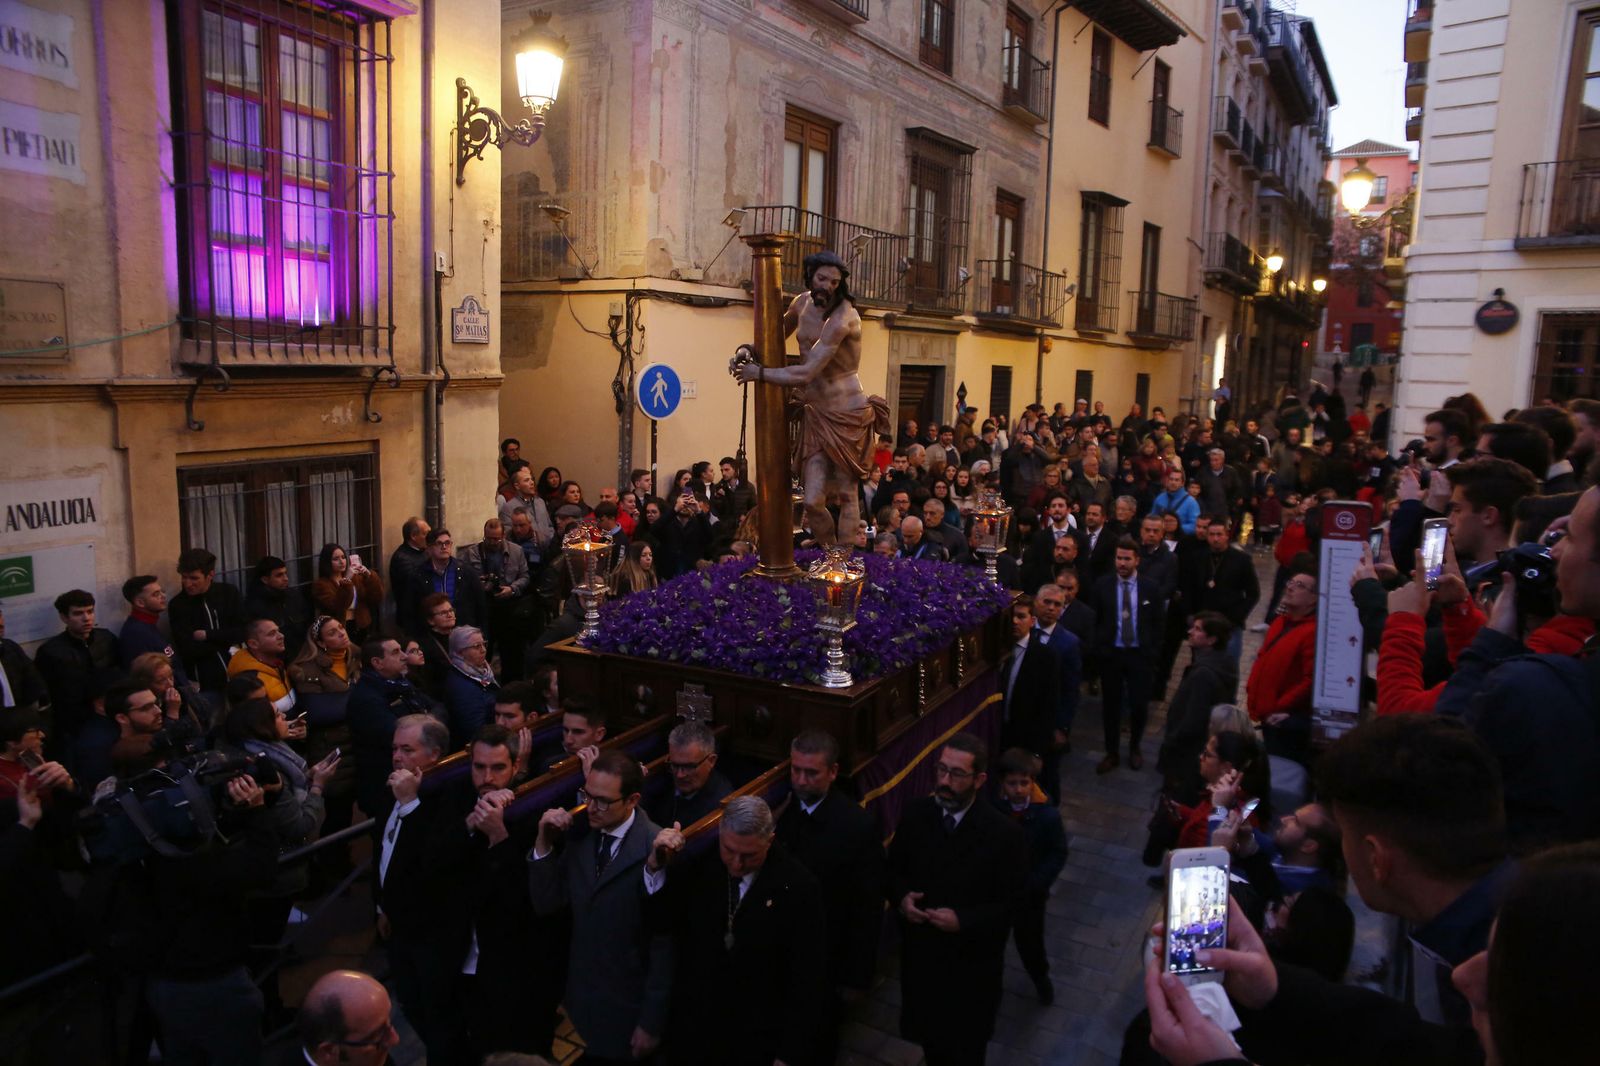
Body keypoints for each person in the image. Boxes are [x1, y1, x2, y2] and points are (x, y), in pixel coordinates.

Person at [644, 795, 829, 1065]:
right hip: (696, 1027)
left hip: (756, 1035)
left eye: (749, 855)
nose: (737, 864)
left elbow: (807, 977)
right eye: (729, 850)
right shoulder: (700, 866)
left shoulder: (798, 887)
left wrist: (789, 1053)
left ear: (770, 839)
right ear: (720, 833)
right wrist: (654, 867)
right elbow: (661, 923)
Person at [731, 249, 890, 546]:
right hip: (816, 413)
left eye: (834, 282)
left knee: (846, 492)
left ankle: (842, 558)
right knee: (813, 499)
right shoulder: (801, 302)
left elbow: (806, 372)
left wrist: (760, 373)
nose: (827, 286)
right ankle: (829, 551)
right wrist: (749, 349)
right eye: (821, 279)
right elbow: (775, 333)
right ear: (809, 276)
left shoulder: (844, 318)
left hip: (847, 413)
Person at [887, 734, 1027, 1065]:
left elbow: (1013, 903)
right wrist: (901, 898)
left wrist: (963, 920)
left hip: (970, 969)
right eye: (942, 770)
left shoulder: (1003, 836)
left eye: (957, 774)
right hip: (923, 961)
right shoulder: (916, 814)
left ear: (979, 780)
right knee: (931, 1042)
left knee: (965, 1050)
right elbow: (893, 871)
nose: (945, 782)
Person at [528, 749, 673, 1066]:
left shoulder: (655, 847)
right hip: (582, 1000)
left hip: (629, 1007)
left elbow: (664, 948)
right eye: (587, 795)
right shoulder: (582, 836)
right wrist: (543, 845)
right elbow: (547, 903)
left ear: (633, 800)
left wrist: (651, 1022)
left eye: (603, 801)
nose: (590, 807)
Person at [775, 729, 884, 1042]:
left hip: (827, 954)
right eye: (795, 770)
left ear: (833, 772)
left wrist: (857, 977)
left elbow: (867, 906)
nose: (801, 780)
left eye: (811, 773)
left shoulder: (857, 826)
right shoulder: (782, 811)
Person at [993, 748, 1070, 1006]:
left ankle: (1040, 978)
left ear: (1032, 782)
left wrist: (1037, 883)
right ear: (1002, 785)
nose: (1018, 789)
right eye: (1012, 783)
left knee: (1030, 943)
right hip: (998, 893)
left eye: (1024, 783)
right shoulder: (994, 811)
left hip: (1029, 895)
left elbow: (1057, 853)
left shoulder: (1046, 816)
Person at [347, 639, 444, 819]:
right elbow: (394, 733)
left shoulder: (403, 685)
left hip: (412, 777)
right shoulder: (366, 698)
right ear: (377, 662)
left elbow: (438, 707)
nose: (404, 656)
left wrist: (428, 721)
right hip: (385, 786)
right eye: (395, 652)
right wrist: (428, 723)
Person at [1094, 540, 1165, 774]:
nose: (1122, 563)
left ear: (1137, 560)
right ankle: (1111, 751)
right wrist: (1101, 648)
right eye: (1119, 558)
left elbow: (1158, 623)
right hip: (1112, 654)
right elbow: (1098, 618)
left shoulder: (1150, 587)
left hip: (1139, 654)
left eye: (1126, 559)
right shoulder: (1103, 585)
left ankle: (1135, 747)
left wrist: (1152, 652)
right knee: (1110, 706)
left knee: (1138, 705)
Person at [1156, 612, 1238, 784]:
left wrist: (1171, 741)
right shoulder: (1224, 662)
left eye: (1197, 629)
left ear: (1211, 640)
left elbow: (1193, 720)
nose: (1190, 632)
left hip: (1186, 755)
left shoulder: (1203, 674)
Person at [1245, 571, 1318, 764]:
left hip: (1282, 721)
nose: (1290, 587)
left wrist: (1280, 706)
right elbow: (1263, 657)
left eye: (1300, 585)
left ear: (1314, 599)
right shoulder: (1279, 622)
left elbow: (1310, 679)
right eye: (1291, 582)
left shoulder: (1311, 632)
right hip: (1267, 715)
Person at [32, 589, 122, 745]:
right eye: (78, 613)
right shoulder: (51, 652)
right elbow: (47, 695)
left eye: (90, 611)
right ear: (64, 617)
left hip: (111, 714)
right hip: (74, 725)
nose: (86, 618)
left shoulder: (106, 638)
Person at [999, 596, 1064, 808]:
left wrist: (1037, 750)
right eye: (1011, 617)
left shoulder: (1044, 657)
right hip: (999, 733)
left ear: (1032, 620)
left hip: (1025, 738)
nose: (1015, 622)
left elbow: (1048, 705)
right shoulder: (997, 649)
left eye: (1021, 616)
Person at [168, 547, 248, 695]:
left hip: (239, 673)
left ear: (210, 574)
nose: (187, 584)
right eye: (184, 577)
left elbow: (243, 632)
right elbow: (187, 648)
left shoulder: (228, 593)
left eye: (194, 578)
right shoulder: (178, 605)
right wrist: (226, 641)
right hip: (205, 681)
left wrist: (208, 635)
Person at [294, 969, 400, 1066]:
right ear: (330, 1051)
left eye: (389, 1022)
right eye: (377, 1036)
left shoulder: (372, 1054)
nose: (395, 1039)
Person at [645, 720, 731, 830]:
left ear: (711, 761)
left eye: (689, 767)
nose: (680, 775)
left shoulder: (715, 809)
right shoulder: (661, 781)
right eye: (675, 765)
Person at [118, 575, 190, 686]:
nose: (163, 596)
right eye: (156, 594)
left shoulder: (149, 626)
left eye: (162, 591)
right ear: (140, 602)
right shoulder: (136, 633)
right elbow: (146, 678)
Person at [442, 625, 499, 749]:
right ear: (460, 652)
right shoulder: (461, 688)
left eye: (484, 644)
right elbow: (475, 731)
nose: (483, 650)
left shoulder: (481, 671)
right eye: (476, 647)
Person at [0, 603, 48, 715]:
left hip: (21, 719)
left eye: (0, 615)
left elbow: (35, 686)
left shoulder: (10, 647)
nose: (1, 623)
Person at [388, 516, 432, 635]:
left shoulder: (425, 552)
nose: (430, 538)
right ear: (413, 536)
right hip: (413, 617)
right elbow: (414, 582)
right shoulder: (401, 558)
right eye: (426, 534)